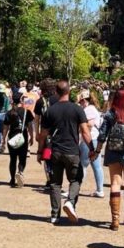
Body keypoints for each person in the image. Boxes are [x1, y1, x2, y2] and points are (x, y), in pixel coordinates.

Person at [37, 80, 92, 225]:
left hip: (55, 151)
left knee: (55, 183)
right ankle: (70, 201)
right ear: (69, 92)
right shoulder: (77, 109)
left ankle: (55, 214)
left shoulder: (50, 111)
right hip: (72, 151)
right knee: (76, 179)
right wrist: (93, 149)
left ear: (56, 92)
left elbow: (43, 134)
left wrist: (39, 150)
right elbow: (85, 132)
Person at [95, 88, 124, 230]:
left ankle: (114, 219)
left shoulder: (110, 113)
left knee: (115, 182)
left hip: (112, 149)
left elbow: (102, 134)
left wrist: (97, 150)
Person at [77, 90, 105, 198]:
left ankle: (75, 188)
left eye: (80, 102)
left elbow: (89, 125)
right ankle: (100, 190)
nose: (80, 104)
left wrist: (79, 127)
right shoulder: (92, 109)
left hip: (89, 139)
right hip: (94, 139)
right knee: (96, 166)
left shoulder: (89, 109)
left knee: (82, 165)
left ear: (84, 100)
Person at [6, 95, 33, 187]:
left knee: (12, 159)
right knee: (22, 158)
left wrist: (3, 139)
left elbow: (5, 127)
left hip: (12, 137)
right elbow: (30, 126)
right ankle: (20, 172)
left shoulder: (9, 112)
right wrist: (32, 137)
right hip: (23, 138)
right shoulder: (26, 112)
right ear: (21, 101)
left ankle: (12, 179)